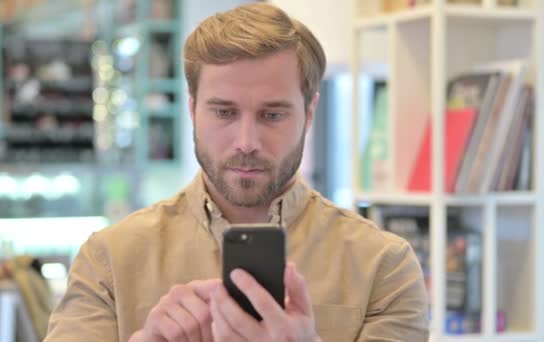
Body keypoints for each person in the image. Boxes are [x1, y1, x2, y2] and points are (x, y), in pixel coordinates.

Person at [45, 3, 429, 341]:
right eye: (225, 112)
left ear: (309, 113)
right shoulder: (108, 260)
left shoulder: (383, 268)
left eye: (272, 114)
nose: (247, 141)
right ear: (193, 109)